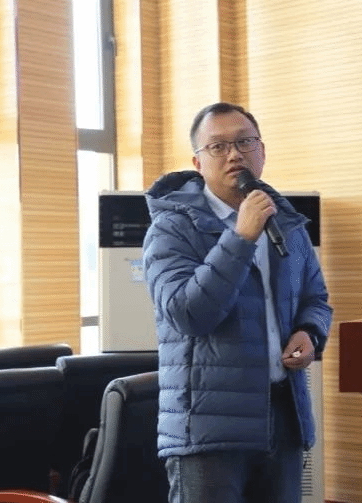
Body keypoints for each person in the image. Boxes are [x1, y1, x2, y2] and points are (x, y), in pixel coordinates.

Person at [142, 102, 333, 503]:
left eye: (245, 142)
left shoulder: (285, 222)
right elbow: (187, 313)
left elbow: (315, 297)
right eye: (218, 146)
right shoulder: (171, 229)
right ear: (198, 162)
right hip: (208, 429)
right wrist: (240, 237)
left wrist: (309, 332)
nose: (234, 154)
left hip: (281, 419)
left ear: (262, 151)